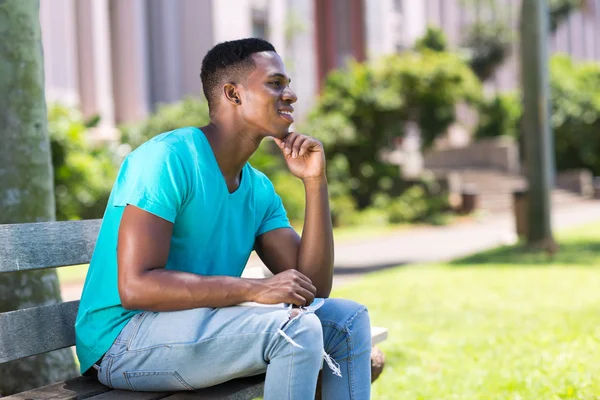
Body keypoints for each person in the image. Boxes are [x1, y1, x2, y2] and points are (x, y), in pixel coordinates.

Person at [75, 38, 371, 399]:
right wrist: (255, 289)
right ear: (233, 94)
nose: (290, 95)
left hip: (198, 326)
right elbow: (136, 287)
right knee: (294, 330)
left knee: (346, 322)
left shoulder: (257, 188)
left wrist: (315, 183)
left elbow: (311, 287)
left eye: (288, 85)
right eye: (275, 83)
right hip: (122, 340)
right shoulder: (166, 159)